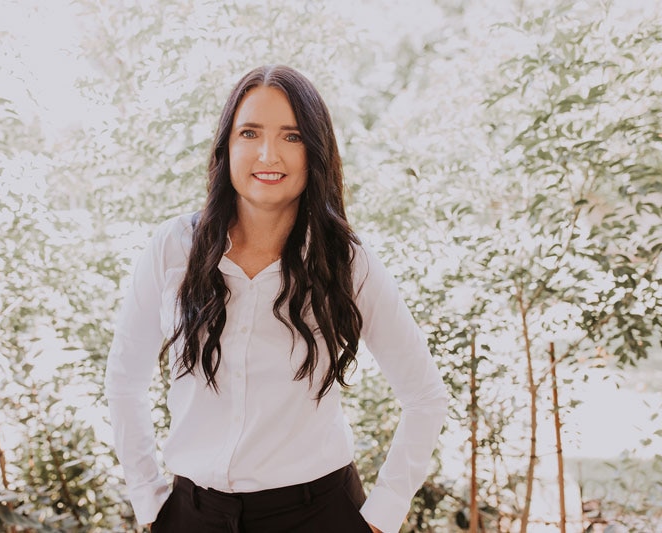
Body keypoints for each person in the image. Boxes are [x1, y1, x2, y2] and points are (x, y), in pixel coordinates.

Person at [105, 65, 448, 533]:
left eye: (292, 136)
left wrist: (382, 514)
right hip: (192, 516)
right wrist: (150, 503)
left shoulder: (346, 260)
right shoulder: (173, 248)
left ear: (316, 151)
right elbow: (125, 381)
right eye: (250, 132)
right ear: (227, 146)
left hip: (318, 514)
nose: (268, 153)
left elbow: (425, 395)